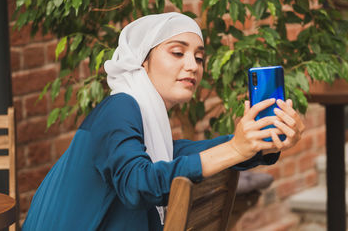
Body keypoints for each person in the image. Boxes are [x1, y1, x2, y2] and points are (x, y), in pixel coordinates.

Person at [22, 12, 305, 231]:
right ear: (142, 61)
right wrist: (235, 149)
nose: (192, 65)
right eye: (177, 52)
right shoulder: (119, 108)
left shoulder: (147, 121)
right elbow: (138, 183)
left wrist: (262, 143)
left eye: (199, 57)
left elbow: (184, 153)